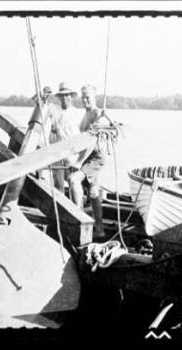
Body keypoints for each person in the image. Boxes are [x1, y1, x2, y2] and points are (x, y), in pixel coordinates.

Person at [67, 84, 106, 238]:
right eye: (83, 97)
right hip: (87, 157)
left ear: (94, 97)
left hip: (96, 157)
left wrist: (79, 162)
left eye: (88, 97)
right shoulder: (85, 115)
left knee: (73, 180)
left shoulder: (97, 114)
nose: (85, 100)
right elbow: (82, 142)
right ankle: (100, 229)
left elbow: (91, 142)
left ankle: (80, 222)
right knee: (93, 191)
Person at [45, 82, 81, 192]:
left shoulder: (77, 113)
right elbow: (42, 107)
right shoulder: (53, 109)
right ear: (59, 97)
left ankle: (76, 207)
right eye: (62, 96)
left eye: (67, 95)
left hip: (72, 153)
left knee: (73, 182)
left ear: (71, 96)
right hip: (56, 153)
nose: (65, 98)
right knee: (57, 184)